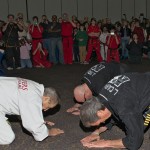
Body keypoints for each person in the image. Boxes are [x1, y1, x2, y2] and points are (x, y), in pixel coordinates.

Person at [80, 73, 150, 150]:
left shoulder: (124, 107)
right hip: (143, 82)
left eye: (100, 122)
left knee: (138, 128)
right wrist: (96, 132)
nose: (103, 123)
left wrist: (106, 143)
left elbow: (135, 141)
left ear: (99, 112)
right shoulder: (102, 97)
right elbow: (111, 112)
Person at [0, 77, 64, 145]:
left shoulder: (34, 86)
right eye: (48, 107)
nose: (46, 109)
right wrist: (48, 132)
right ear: (46, 99)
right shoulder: (33, 99)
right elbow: (33, 125)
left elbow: (23, 107)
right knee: (7, 138)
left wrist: (39, 120)